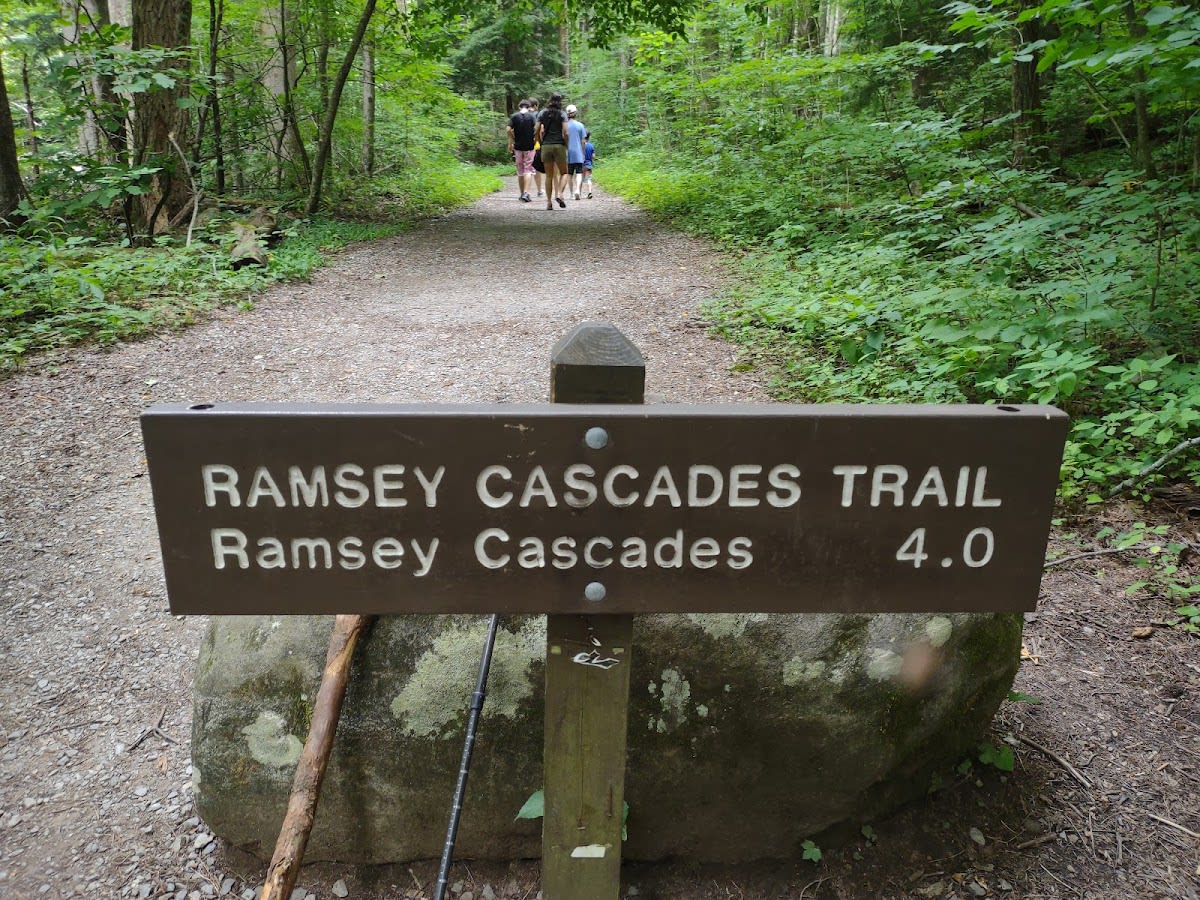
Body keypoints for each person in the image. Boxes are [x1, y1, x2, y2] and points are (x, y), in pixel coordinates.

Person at [536, 93, 569, 210]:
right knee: (564, 173)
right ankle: (559, 193)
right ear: (560, 101)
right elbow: (566, 132)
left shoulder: (542, 113)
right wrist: (566, 144)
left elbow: (536, 129)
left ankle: (549, 203)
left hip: (546, 146)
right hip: (559, 145)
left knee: (549, 176)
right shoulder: (562, 114)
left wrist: (539, 142)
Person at [506, 100, 537, 202]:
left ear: (519, 107)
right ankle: (526, 193)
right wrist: (535, 139)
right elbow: (538, 128)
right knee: (528, 169)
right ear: (528, 107)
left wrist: (512, 140)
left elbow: (508, 129)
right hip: (530, 146)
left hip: (518, 147)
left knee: (520, 170)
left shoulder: (514, 116)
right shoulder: (532, 117)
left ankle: (521, 193)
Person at [565, 105, 588, 201]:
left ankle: (571, 194)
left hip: (568, 153)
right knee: (579, 172)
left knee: (569, 174)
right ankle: (578, 190)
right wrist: (583, 152)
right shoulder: (580, 125)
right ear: (575, 113)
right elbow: (583, 141)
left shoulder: (565, 126)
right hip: (578, 152)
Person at [527, 98, 544, 198]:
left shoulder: (522, 114)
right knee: (536, 166)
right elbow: (541, 130)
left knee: (526, 167)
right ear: (535, 105)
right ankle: (539, 190)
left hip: (523, 144)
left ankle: (526, 191)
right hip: (536, 143)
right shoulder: (538, 115)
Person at [582, 131, 596, 199]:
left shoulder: (581, 145)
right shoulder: (591, 146)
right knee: (589, 179)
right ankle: (590, 192)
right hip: (589, 165)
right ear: (589, 137)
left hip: (582, 165)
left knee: (581, 179)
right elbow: (593, 156)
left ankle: (579, 193)